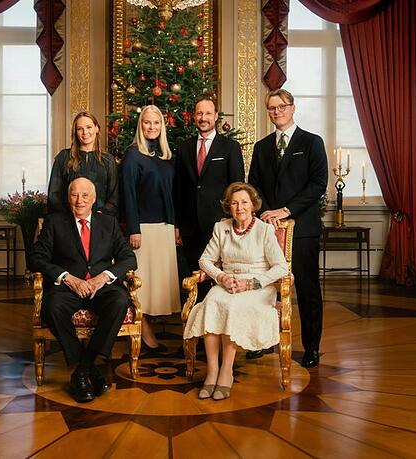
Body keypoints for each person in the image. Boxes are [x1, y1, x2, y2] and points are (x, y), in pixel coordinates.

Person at [29, 177, 137, 403]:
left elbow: (129, 258)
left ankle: (81, 371)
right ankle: (89, 370)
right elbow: (36, 258)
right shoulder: (55, 222)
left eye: (85, 195)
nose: (79, 201)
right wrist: (66, 278)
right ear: (68, 198)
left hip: (101, 288)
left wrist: (103, 277)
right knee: (51, 307)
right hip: (68, 288)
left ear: (94, 198)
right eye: (74, 195)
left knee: (119, 301)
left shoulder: (108, 222)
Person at [183, 182, 288, 400]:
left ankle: (226, 371)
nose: (239, 207)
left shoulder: (264, 229)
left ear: (253, 205)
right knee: (211, 304)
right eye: (234, 203)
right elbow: (205, 260)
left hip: (257, 285)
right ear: (229, 207)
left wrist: (252, 284)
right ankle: (212, 372)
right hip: (227, 281)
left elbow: (281, 267)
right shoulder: (221, 228)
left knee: (232, 306)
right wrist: (221, 277)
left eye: (244, 203)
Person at [248, 88, 328, 368]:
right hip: (268, 230)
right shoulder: (262, 147)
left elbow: (318, 184)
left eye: (281, 106)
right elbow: (253, 185)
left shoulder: (312, 142)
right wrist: (268, 213)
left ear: (292, 108)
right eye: (271, 108)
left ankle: (311, 348)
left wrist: (286, 210)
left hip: (302, 228)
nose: (276, 111)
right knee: (265, 288)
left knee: (307, 290)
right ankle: (259, 342)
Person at [121, 105, 181, 351]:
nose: (152, 127)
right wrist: (133, 228)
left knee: (158, 284)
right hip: (143, 229)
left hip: (164, 228)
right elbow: (128, 195)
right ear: (140, 125)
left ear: (162, 126)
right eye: (147, 122)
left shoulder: (165, 156)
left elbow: (172, 195)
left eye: (156, 122)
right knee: (141, 286)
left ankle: (147, 329)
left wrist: (175, 226)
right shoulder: (133, 155)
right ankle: (143, 333)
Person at [175, 97, 245, 277]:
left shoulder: (230, 147)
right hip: (190, 226)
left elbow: (237, 187)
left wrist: (231, 219)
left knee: (217, 276)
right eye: (199, 113)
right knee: (192, 277)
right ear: (194, 117)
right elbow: (179, 189)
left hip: (219, 223)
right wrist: (177, 225)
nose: (203, 117)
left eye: (207, 113)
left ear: (215, 116)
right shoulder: (184, 147)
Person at [47, 112, 118, 216]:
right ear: (75, 132)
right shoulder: (64, 157)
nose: (85, 132)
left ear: (97, 128)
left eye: (89, 127)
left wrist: (100, 216)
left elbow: (114, 196)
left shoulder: (108, 160)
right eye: (80, 129)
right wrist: (68, 218)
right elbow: (54, 195)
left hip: (100, 221)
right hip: (68, 221)